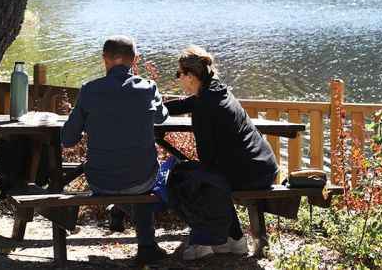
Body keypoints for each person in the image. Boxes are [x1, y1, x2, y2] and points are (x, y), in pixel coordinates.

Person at [62, 35, 169, 265]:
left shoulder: (89, 90)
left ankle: (119, 209)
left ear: (105, 59)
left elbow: (68, 139)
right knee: (151, 174)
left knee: (129, 173)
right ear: (134, 60)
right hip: (142, 179)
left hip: (100, 180)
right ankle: (146, 245)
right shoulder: (148, 88)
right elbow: (162, 117)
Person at [166, 45, 279, 260]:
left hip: (250, 174)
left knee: (184, 178)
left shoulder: (204, 108)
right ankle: (234, 239)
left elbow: (207, 159)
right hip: (263, 166)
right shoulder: (217, 90)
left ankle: (207, 241)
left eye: (179, 74)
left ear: (191, 76)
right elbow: (189, 103)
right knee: (203, 175)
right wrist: (160, 107)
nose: (178, 78)